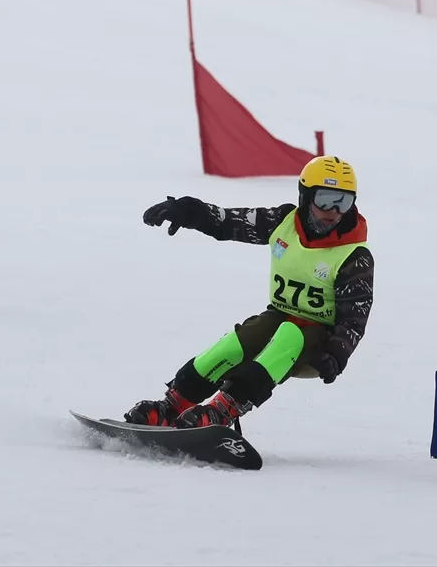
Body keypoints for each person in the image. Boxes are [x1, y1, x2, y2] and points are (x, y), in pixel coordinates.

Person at [124, 155, 374, 429]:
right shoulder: (283, 221)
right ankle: (174, 406)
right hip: (280, 317)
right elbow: (227, 222)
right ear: (305, 196)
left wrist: (336, 354)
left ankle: (223, 409)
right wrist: (189, 211)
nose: (334, 211)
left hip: (319, 342)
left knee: (288, 335)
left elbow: (354, 317)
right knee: (236, 343)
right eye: (325, 199)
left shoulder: (354, 255)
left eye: (343, 202)